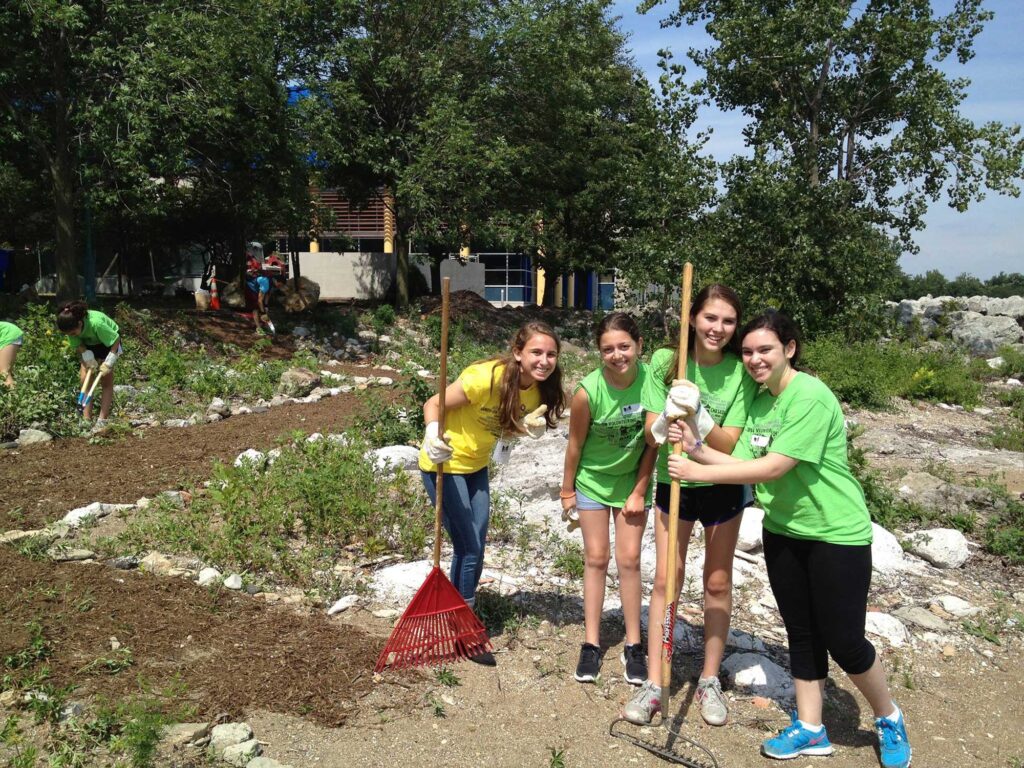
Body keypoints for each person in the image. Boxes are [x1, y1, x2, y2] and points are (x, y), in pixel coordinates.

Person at [666, 309, 912, 768]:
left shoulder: (810, 396)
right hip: (783, 531)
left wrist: (698, 469)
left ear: (789, 350)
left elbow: (775, 466)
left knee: (844, 640)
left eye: (765, 350)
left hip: (836, 533)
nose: (755, 359)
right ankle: (811, 728)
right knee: (800, 633)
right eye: (748, 352)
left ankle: (888, 715)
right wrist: (697, 447)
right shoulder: (759, 401)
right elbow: (736, 457)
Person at [623, 283, 757, 726]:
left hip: (720, 484)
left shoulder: (741, 371)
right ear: (692, 319)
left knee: (716, 582)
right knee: (667, 579)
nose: (718, 328)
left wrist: (698, 414)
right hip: (675, 483)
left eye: (728, 321)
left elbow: (731, 444)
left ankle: (709, 680)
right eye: (710, 318)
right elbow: (649, 434)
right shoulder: (666, 361)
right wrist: (667, 415)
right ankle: (656, 683)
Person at [418, 321, 567, 664]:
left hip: (476, 467)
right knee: (468, 545)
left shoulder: (538, 389)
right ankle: (465, 630)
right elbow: (434, 403)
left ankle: (458, 610)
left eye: (551, 354)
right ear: (517, 352)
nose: (544, 360)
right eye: (536, 352)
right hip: (444, 464)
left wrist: (524, 426)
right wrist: (431, 435)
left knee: (475, 543)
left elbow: (501, 424)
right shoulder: (484, 377)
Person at [560, 312, 657, 685]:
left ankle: (634, 644)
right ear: (599, 352)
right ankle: (591, 643)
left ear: (638, 346)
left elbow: (654, 443)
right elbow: (575, 445)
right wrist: (567, 490)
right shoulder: (588, 391)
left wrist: (639, 490)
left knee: (630, 559)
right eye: (608, 349)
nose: (617, 355)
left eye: (624, 346)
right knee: (596, 558)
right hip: (592, 483)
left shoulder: (650, 381)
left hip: (633, 481)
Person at [56, 301, 122, 427]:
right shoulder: (71, 327)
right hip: (88, 344)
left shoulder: (96, 323)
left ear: (80, 323)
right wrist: (87, 355)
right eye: (68, 335)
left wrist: (110, 360)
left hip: (108, 343)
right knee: (86, 379)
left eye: (73, 333)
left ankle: (102, 420)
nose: (71, 336)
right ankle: (86, 420)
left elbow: (115, 340)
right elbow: (77, 344)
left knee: (105, 380)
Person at [245, 256, 275, 335]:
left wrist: (266, 306)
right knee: (256, 307)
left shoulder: (271, 283)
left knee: (262, 308)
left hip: (257, 286)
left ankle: (264, 325)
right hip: (251, 288)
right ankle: (258, 328)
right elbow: (259, 300)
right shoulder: (265, 281)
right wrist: (263, 312)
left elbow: (267, 294)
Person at [0, 320, 24, 387]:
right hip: (8, 333)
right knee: (5, 372)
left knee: (4, 372)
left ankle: (14, 395)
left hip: (8, 332)